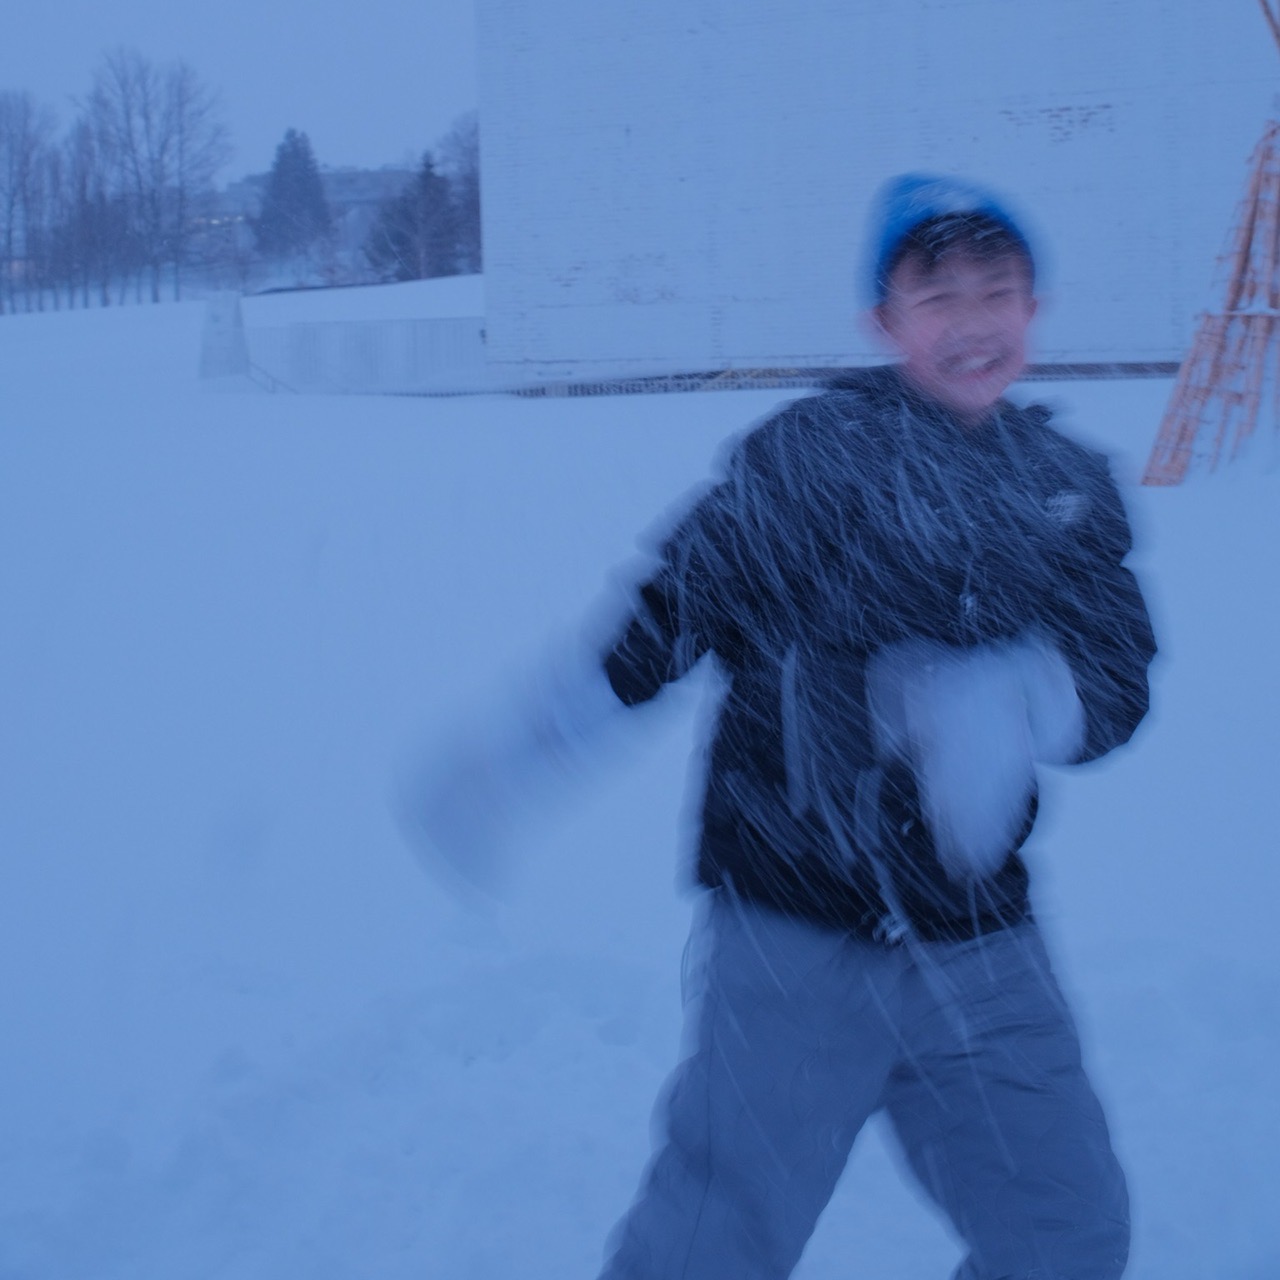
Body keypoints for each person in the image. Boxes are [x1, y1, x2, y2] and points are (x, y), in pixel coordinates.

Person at [409, 174, 1157, 1280]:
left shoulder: (1066, 488)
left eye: (995, 290)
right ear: (881, 321)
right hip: (791, 939)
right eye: (935, 293)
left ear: (1033, 309)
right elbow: (675, 607)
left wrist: (1018, 705)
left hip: (984, 944)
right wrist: (539, 741)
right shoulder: (811, 458)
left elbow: (1115, 670)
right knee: (715, 1236)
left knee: (1066, 1228)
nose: (969, 320)